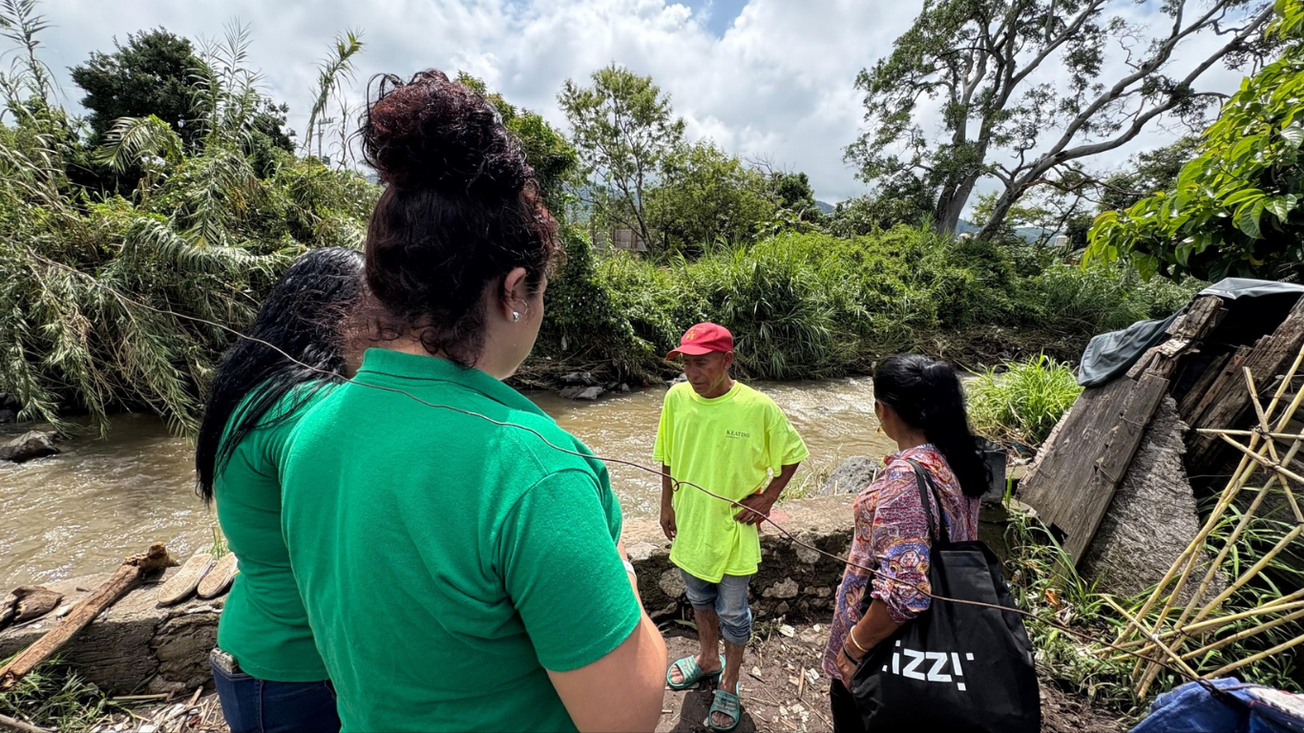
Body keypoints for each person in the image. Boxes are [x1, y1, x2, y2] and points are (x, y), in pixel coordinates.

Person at [278, 70, 667, 733]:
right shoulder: (535, 470)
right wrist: (623, 579)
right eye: (541, 292)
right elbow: (625, 718)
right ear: (514, 290)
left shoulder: (309, 435)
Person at [195, 246, 365, 733]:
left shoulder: (256, 391)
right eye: (377, 311)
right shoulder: (317, 406)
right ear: (335, 317)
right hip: (301, 672)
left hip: (261, 652)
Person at [656, 322, 809, 732]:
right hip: (691, 524)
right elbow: (666, 454)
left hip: (734, 530)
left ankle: (730, 680)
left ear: (727, 360)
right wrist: (666, 503)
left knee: (734, 613)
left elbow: (792, 454)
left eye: (702, 363)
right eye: (686, 363)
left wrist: (767, 498)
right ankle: (708, 658)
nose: (692, 373)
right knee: (698, 597)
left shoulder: (758, 407)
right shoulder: (676, 399)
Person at [823, 354, 988, 733]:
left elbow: (905, 591)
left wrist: (852, 649)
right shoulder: (957, 457)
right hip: (949, 632)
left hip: (886, 649)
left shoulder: (905, 478)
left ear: (882, 410)